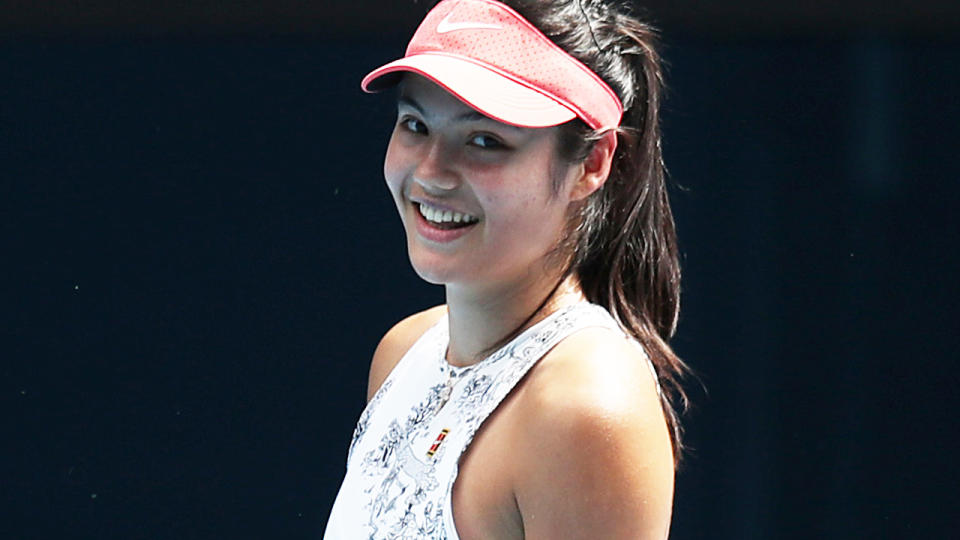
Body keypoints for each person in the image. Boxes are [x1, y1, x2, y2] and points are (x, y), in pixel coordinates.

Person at [325, 0, 690, 538]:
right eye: (416, 124)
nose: (431, 173)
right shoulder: (404, 351)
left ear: (591, 163)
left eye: (485, 141)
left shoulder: (586, 406)